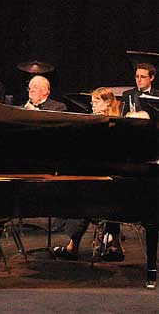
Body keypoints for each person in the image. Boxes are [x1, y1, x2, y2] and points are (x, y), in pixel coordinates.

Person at [53, 87, 124, 262]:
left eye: (97, 101)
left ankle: (74, 246)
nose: (93, 105)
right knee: (87, 191)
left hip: (111, 179)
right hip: (102, 177)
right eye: (92, 102)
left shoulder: (114, 124)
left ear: (107, 102)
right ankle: (113, 244)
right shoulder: (95, 122)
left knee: (85, 197)